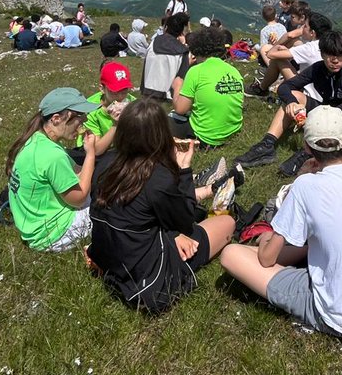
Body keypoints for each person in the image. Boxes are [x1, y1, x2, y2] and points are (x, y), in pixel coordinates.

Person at [220, 107, 342, 344]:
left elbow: (266, 259)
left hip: (337, 312)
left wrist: (265, 239)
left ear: (306, 147)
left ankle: (318, 313)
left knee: (231, 253)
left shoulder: (305, 186)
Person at [88, 98, 236, 313]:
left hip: (111, 258)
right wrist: (184, 169)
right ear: (161, 134)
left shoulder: (105, 164)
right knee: (227, 223)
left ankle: (205, 194)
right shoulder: (157, 178)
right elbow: (185, 221)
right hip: (147, 279)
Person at [236, 30, 342, 168]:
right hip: (324, 112)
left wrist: (324, 116)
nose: (335, 60)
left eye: (340, 56)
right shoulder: (318, 68)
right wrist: (292, 102)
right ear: (322, 54)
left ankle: (309, 152)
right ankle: (267, 144)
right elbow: (285, 87)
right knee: (295, 96)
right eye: (330, 55)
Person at [6, 88, 98, 252]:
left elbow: (77, 170)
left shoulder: (37, 139)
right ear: (56, 119)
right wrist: (91, 153)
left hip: (34, 227)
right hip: (52, 234)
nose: (84, 120)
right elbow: (79, 198)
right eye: (79, 116)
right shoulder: (52, 155)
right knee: (111, 208)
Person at [171, 28, 245, 147]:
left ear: (195, 49)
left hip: (206, 137)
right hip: (233, 132)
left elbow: (180, 109)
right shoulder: (234, 71)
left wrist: (177, 87)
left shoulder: (196, 71)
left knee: (163, 120)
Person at [141, 12, 191, 100]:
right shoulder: (182, 51)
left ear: (166, 28)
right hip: (167, 96)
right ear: (181, 32)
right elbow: (182, 79)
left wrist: (143, 90)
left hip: (147, 92)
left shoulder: (153, 43)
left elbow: (145, 69)